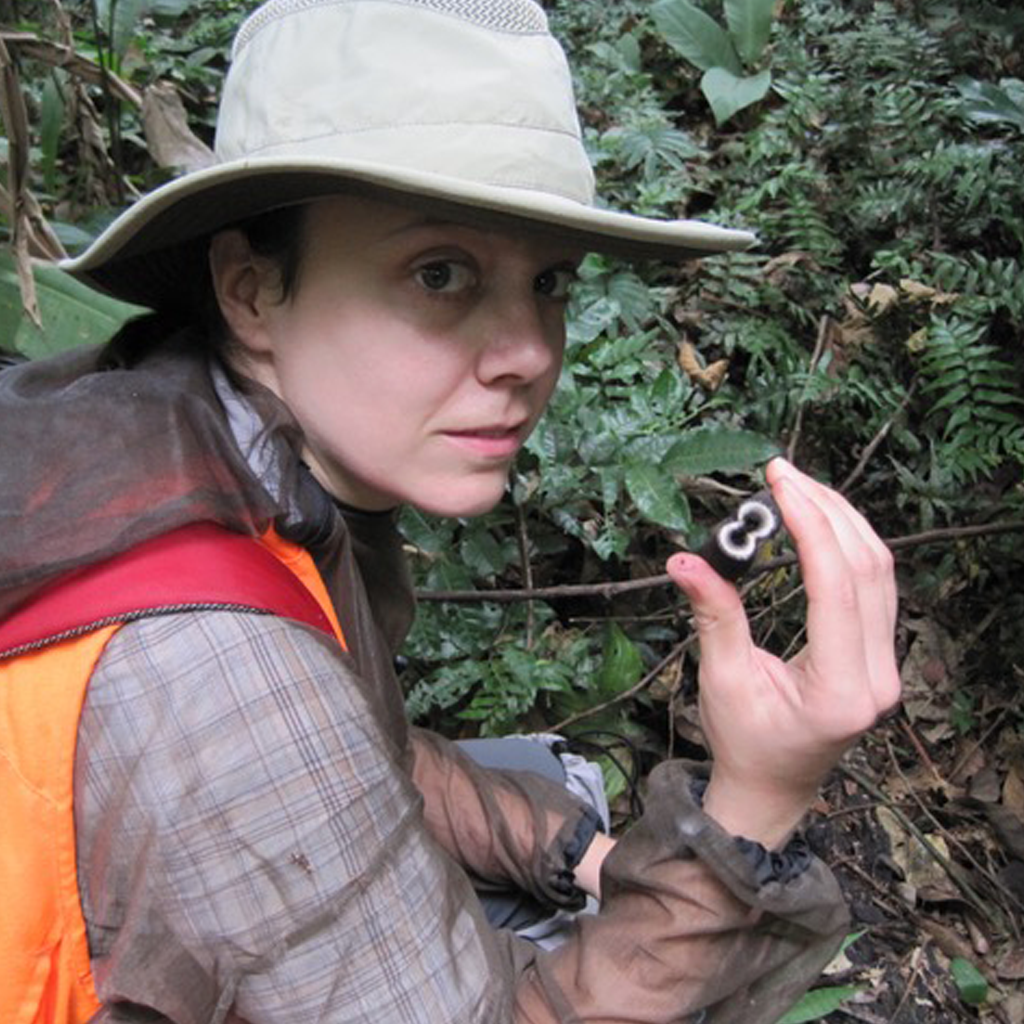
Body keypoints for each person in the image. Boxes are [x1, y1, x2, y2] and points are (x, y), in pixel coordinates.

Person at [0, 0, 901, 1021]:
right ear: (252, 291)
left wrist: (580, 854)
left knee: (548, 791)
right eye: (439, 273)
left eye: (549, 281)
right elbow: (283, 744)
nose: (527, 351)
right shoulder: (218, 656)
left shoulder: (190, 438)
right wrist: (751, 806)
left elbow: (365, 757)